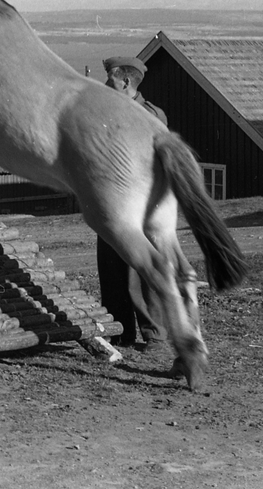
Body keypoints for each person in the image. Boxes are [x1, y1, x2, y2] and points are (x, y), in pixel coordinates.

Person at [97, 55, 168, 351]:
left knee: (139, 268)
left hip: (139, 203)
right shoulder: (110, 110)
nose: (104, 84)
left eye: (109, 79)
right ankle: (119, 331)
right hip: (110, 201)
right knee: (111, 268)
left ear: (125, 81)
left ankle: (155, 334)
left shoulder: (149, 115)